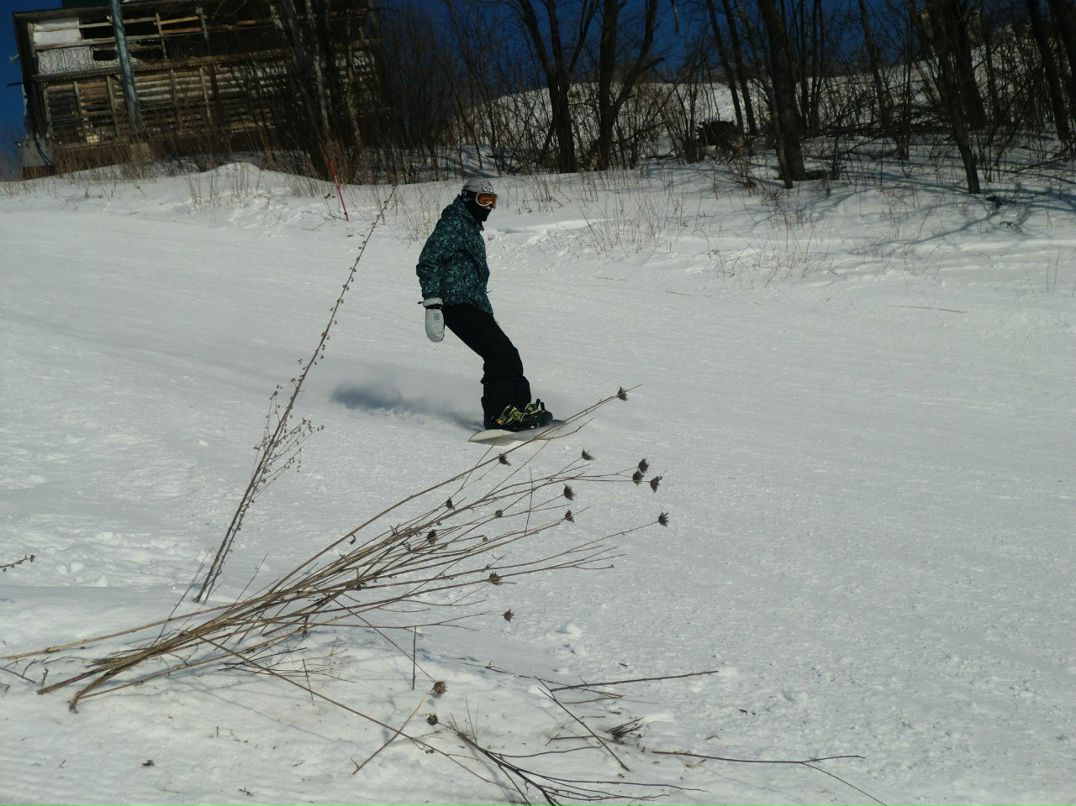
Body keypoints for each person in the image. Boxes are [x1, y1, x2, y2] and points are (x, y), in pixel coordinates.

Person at [416, 176, 552, 432]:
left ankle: (518, 408)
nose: (489, 206)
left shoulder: (468, 226)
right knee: (498, 353)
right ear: (469, 198)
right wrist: (432, 303)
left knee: (508, 354)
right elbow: (428, 261)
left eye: (492, 201)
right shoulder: (453, 224)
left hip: (473, 304)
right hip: (454, 303)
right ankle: (498, 415)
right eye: (484, 200)